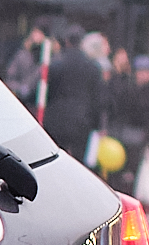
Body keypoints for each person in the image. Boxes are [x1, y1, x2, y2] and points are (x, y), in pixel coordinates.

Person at [40, 25, 107, 164]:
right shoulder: (93, 68)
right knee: (78, 163)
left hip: (55, 120)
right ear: (82, 42)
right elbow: (98, 100)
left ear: (66, 41)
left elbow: (45, 92)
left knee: (53, 161)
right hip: (82, 122)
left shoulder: (55, 64)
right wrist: (98, 125)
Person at [106, 53, 149, 198]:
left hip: (145, 136)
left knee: (138, 169)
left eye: (146, 72)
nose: (142, 75)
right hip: (125, 134)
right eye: (140, 72)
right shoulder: (128, 88)